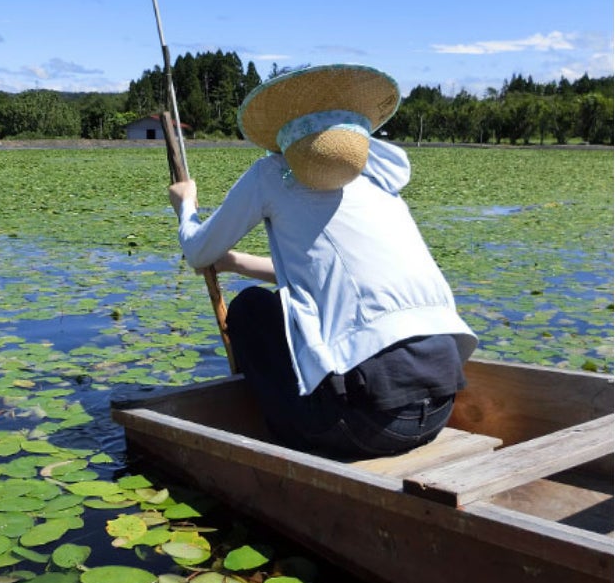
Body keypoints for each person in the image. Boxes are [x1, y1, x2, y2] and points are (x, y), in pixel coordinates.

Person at [168, 64, 477, 460]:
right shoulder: (379, 180)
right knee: (282, 307)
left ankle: (282, 428)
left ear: (286, 131)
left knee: (249, 308)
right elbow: (326, 274)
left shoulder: (272, 174)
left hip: (368, 426)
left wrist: (186, 205)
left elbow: (197, 250)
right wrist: (235, 262)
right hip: (439, 410)